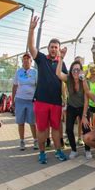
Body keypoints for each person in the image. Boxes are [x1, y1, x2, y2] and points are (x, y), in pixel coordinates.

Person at [27, 16, 68, 164]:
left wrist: (65, 100)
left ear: (58, 50)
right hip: (41, 101)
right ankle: (42, 153)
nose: (53, 49)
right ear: (48, 48)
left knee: (56, 129)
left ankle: (58, 151)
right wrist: (31, 29)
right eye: (51, 47)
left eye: (56, 47)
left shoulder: (61, 63)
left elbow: (65, 80)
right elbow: (31, 48)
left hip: (56, 102)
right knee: (42, 129)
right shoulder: (41, 59)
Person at [55, 54, 89, 159]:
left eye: (78, 70)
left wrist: (84, 116)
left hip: (82, 107)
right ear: (71, 71)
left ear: (81, 71)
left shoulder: (83, 81)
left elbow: (87, 98)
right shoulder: (68, 78)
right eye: (74, 70)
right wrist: (61, 58)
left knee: (86, 128)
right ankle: (74, 150)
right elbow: (58, 73)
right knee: (69, 129)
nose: (76, 72)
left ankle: (87, 150)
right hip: (72, 107)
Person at [12, 53, 38, 150]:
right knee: (20, 122)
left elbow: (38, 86)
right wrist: (13, 100)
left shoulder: (35, 72)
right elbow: (14, 86)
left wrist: (37, 99)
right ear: (22, 61)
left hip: (31, 101)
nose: (26, 60)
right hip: (20, 100)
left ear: (31, 61)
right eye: (24, 59)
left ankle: (35, 140)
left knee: (32, 122)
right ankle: (22, 141)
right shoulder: (18, 72)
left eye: (28, 59)